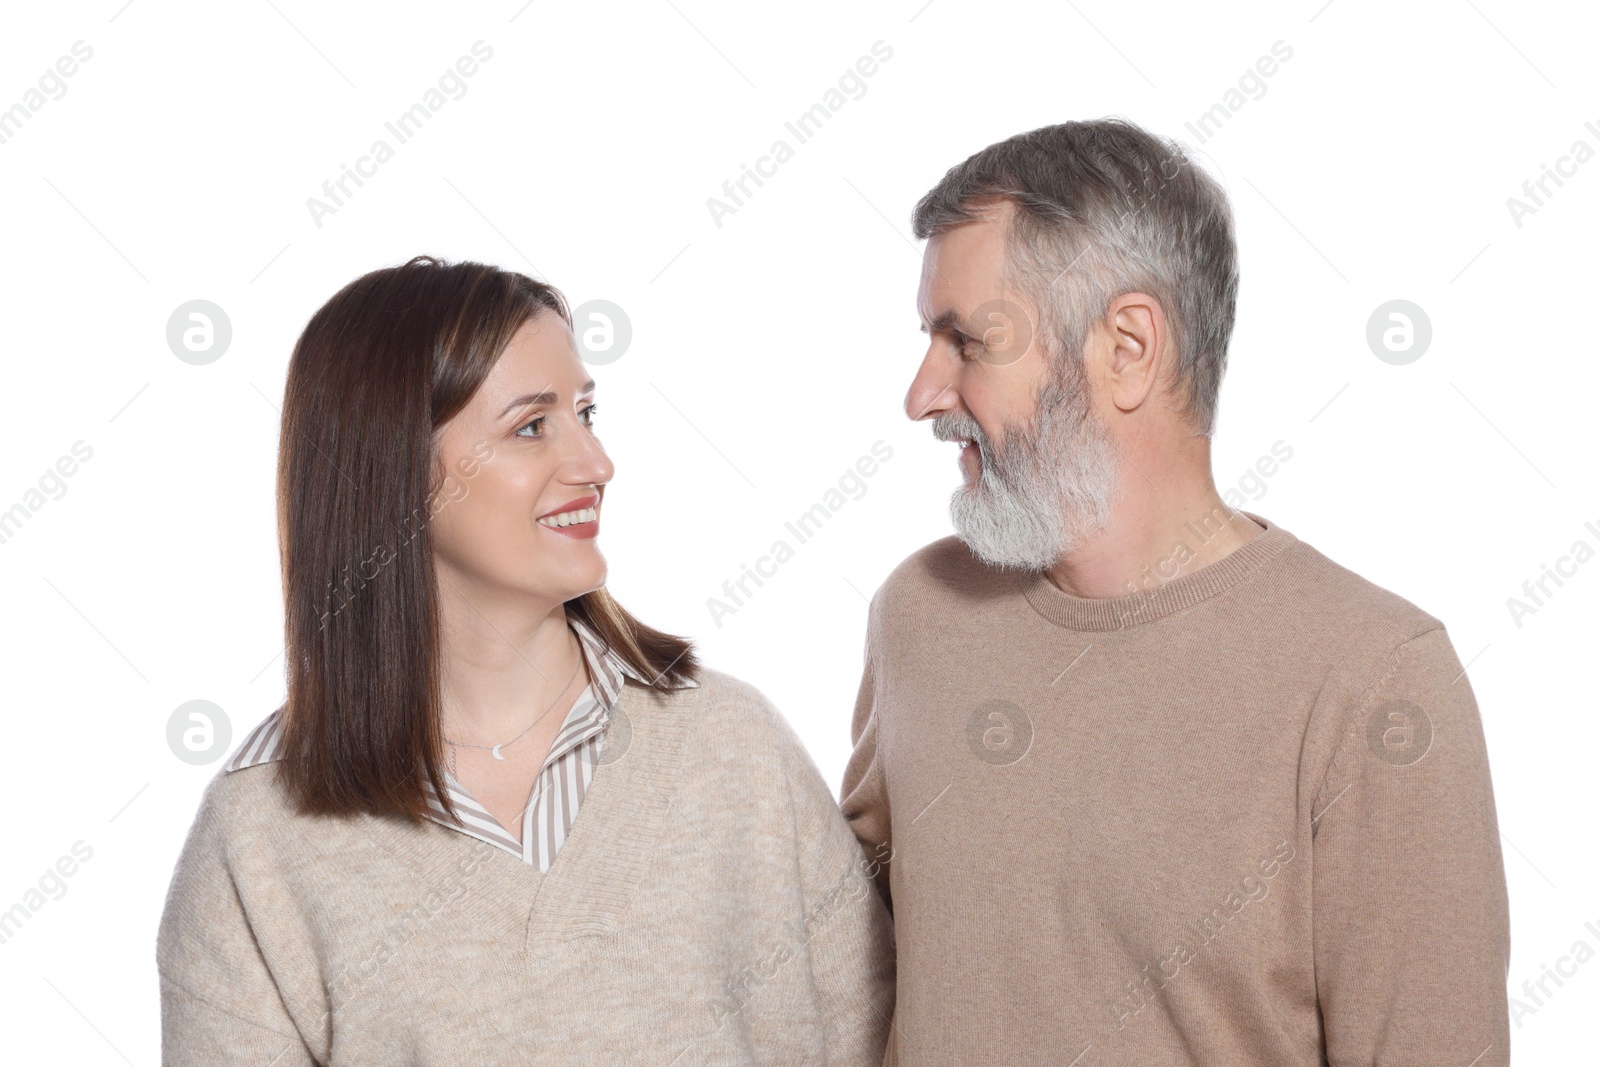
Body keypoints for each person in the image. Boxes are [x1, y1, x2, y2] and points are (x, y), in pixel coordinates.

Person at [841, 119, 1510, 1066]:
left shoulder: (1374, 682)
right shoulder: (919, 615)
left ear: (1127, 345)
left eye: (966, 342)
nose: (921, 392)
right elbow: (835, 965)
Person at [157, 256, 894, 1065]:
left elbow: (878, 1042)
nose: (595, 463)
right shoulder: (260, 831)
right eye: (532, 426)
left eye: (586, 412)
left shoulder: (734, 746)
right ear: (394, 471)